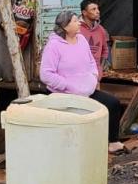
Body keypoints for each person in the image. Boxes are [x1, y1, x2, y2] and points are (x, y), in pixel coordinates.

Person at [40, 10, 127, 154]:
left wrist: (93, 77)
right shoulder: (54, 46)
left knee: (112, 103)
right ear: (65, 26)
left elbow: (91, 61)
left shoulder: (81, 40)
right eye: (75, 21)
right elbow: (46, 75)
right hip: (64, 95)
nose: (79, 23)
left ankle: (113, 142)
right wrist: (67, 86)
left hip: (86, 91)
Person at [78, 0, 111, 75]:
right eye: (93, 9)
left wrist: (100, 69)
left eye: (97, 9)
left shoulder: (101, 30)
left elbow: (105, 50)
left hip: (95, 75)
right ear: (84, 12)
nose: (98, 12)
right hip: (79, 75)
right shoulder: (76, 29)